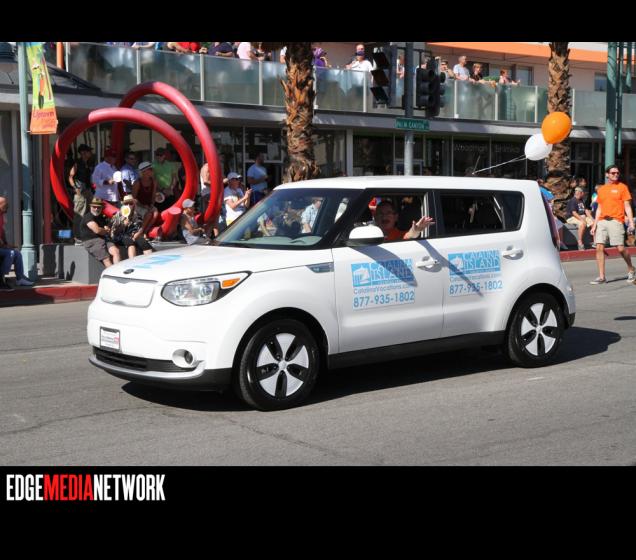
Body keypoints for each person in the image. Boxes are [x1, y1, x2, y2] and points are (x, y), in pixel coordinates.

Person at [589, 165, 636, 284]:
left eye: (617, 173)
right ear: (607, 175)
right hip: (602, 221)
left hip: (616, 220)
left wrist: (631, 223)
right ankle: (601, 276)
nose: (616, 175)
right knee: (599, 247)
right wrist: (594, 224)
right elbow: (599, 208)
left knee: (620, 248)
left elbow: (627, 206)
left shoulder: (622, 187)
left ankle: (631, 268)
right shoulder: (602, 189)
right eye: (613, 173)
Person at [0, 196, 35, 288]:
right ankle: (1, 277)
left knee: (17, 254)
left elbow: (2, 231)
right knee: (10, 253)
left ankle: (20, 279)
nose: (7, 206)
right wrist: (4, 245)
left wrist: (6, 243)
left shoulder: (1, 216)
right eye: (5, 204)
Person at [110, 194, 154, 259]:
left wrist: (139, 233)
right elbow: (115, 232)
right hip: (121, 235)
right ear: (123, 205)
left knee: (143, 242)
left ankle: (151, 261)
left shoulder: (136, 214)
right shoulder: (118, 215)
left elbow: (139, 227)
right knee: (130, 243)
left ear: (134, 204)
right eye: (126, 204)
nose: (128, 205)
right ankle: (132, 262)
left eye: (130, 203)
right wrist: (123, 225)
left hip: (133, 234)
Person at [80, 197, 120, 268]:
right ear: (90, 207)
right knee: (106, 259)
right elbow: (97, 230)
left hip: (103, 238)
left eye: (98, 207)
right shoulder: (88, 217)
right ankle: (113, 273)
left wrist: (108, 228)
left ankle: (118, 271)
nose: (96, 209)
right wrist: (106, 230)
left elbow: (106, 228)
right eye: (94, 207)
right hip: (92, 241)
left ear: (101, 208)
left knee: (116, 251)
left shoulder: (101, 216)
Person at [68, 143, 95, 245]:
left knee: (88, 213)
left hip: (87, 190)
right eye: (88, 151)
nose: (90, 153)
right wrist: (75, 188)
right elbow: (70, 176)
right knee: (79, 214)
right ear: (83, 153)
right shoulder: (78, 163)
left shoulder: (88, 163)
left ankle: (84, 235)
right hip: (81, 191)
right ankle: (77, 237)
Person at [132, 161, 160, 236]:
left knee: (155, 213)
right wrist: (143, 206)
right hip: (138, 205)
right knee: (148, 214)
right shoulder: (137, 183)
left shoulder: (154, 181)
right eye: (150, 169)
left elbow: (153, 196)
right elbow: (133, 199)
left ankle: (145, 231)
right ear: (144, 172)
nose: (152, 171)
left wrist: (151, 205)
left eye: (151, 169)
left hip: (148, 205)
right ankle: (141, 231)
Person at [152, 147, 178, 212]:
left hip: (169, 192)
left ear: (164, 156)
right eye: (157, 155)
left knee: (169, 210)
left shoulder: (170, 165)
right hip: (158, 192)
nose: (158, 156)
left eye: (160, 155)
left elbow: (174, 178)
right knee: (159, 210)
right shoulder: (152, 165)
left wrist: (170, 189)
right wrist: (161, 189)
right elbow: (152, 179)